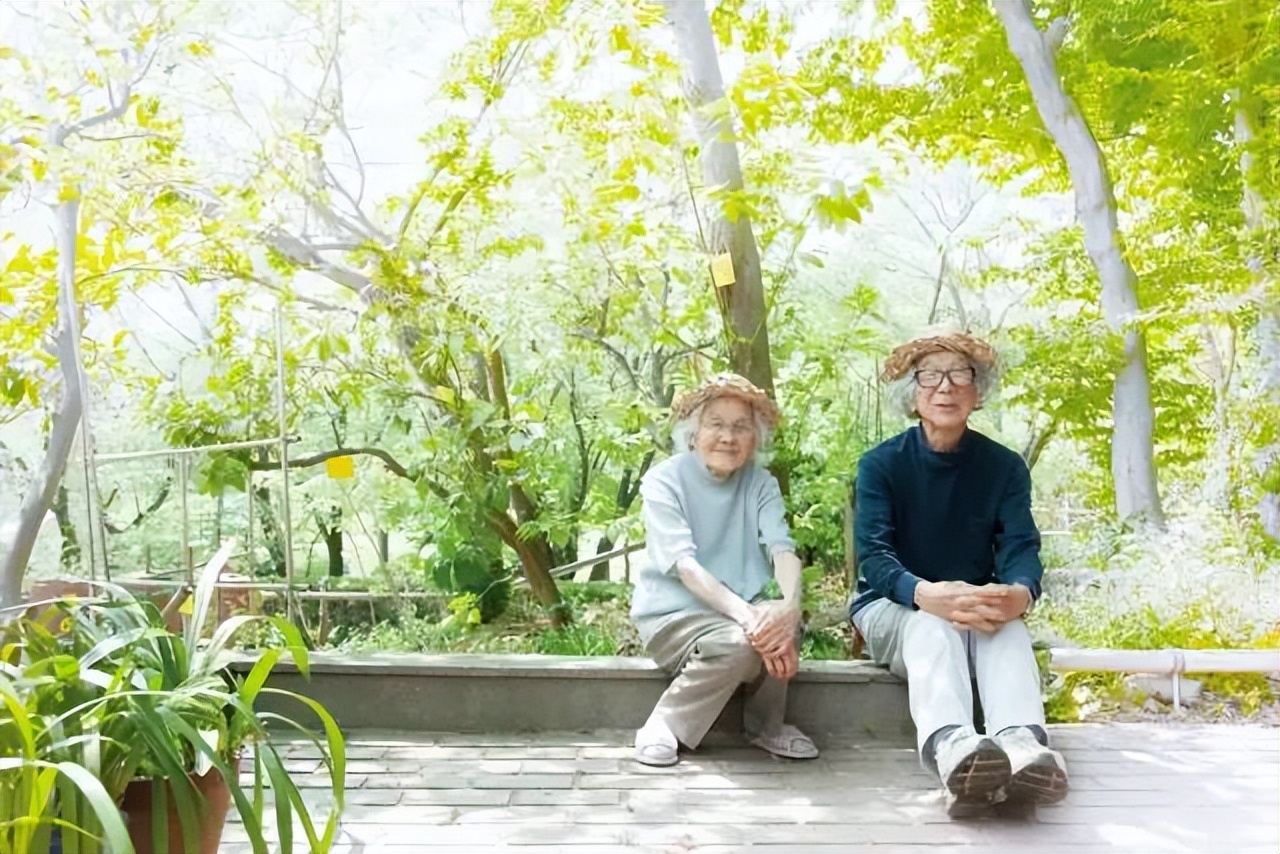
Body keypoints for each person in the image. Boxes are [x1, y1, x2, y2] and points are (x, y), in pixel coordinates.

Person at [849, 331, 1068, 817]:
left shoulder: (1004, 467)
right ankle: (953, 749)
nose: (944, 387)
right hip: (892, 607)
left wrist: (1018, 592)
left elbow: (1020, 547)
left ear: (978, 388)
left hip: (971, 603)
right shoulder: (880, 465)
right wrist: (925, 594)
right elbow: (875, 559)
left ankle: (1021, 747)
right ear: (912, 391)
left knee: (1008, 625)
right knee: (931, 625)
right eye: (930, 375)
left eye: (959, 374)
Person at [630, 373, 819, 767]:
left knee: (777, 625)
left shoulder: (761, 483)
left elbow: (782, 550)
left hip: (736, 616)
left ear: (756, 439)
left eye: (741, 427)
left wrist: (788, 607)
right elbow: (685, 567)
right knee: (743, 639)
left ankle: (768, 726)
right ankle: (664, 724)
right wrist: (752, 617)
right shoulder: (664, 481)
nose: (728, 437)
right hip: (674, 616)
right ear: (693, 433)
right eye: (716, 423)